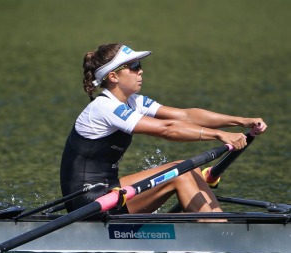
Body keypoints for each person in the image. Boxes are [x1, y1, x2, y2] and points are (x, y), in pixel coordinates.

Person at [60, 43, 266, 216]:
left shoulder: (134, 102)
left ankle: (214, 222)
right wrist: (219, 135)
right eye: (133, 66)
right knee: (181, 171)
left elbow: (186, 115)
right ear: (113, 76)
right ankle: (218, 230)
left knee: (189, 168)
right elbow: (167, 129)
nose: (140, 70)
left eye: (138, 65)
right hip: (87, 203)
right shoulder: (104, 107)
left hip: (110, 191)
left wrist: (241, 120)